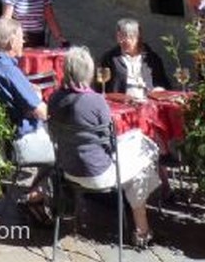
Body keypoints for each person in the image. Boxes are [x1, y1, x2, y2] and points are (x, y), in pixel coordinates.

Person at [48, 45, 160, 249]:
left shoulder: (55, 99)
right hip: (98, 173)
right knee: (145, 152)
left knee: (139, 148)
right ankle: (142, 229)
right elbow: (110, 143)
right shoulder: (95, 101)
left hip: (68, 170)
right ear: (88, 72)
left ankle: (138, 218)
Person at [0, 16, 55, 219]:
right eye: (20, 37)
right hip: (25, 136)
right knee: (72, 150)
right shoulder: (9, 70)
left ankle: (36, 195)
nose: (23, 41)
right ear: (10, 41)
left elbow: (26, 96)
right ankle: (34, 197)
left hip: (12, 134)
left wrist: (30, 95)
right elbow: (42, 112)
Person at [98, 18, 171, 99]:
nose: (125, 41)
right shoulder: (110, 58)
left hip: (147, 102)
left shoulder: (151, 58)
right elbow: (100, 87)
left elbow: (163, 84)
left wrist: (159, 89)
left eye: (130, 37)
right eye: (121, 36)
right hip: (121, 103)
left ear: (138, 37)